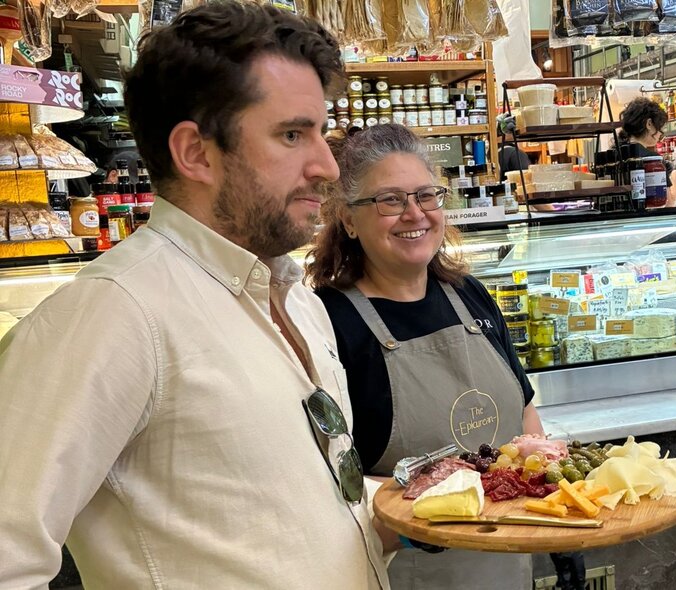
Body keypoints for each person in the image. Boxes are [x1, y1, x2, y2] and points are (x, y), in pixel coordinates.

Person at [0, 3, 389, 588]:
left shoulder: (295, 297)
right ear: (196, 153)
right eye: (292, 134)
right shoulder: (113, 315)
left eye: (322, 133)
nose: (328, 165)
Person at [306, 123, 544, 589]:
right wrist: (423, 526)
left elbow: (524, 412)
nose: (414, 214)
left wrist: (545, 501)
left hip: (505, 563)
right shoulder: (329, 323)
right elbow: (325, 487)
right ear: (349, 220)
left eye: (426, 196)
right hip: (409, 571)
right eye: (390, 200)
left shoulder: (469, 294)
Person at [619, 97, 676, 207]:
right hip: (643, 219)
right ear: (649, 124)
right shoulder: (651, 160)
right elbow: (669, 201)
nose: (660, 134)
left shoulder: (615, 152)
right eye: (660, 128)